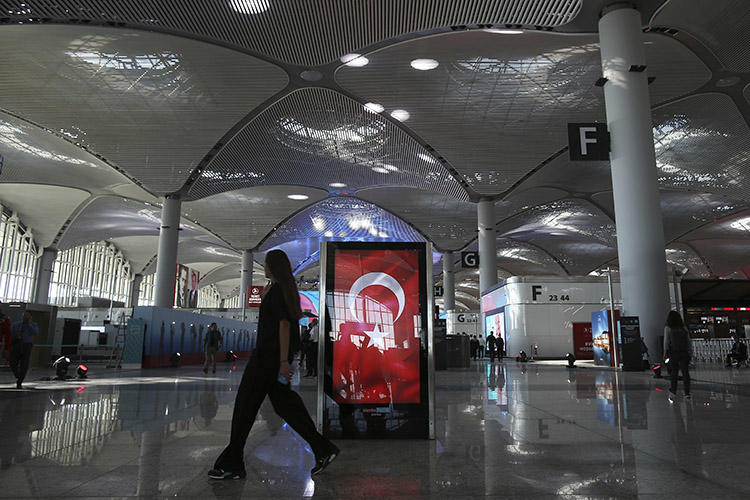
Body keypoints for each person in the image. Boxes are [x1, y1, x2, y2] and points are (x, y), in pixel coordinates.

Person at [209, 250, 338, 480]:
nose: (265, 267)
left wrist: (282, 362)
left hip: (266, 360)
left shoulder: (278, 291)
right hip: (270, 359)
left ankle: (232, 463)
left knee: (245, 407)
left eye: (267, 264)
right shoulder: (281, 289)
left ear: (273, 267)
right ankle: (323, 449)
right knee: (287, 407)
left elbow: (284, 326)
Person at [663, 311, 692, 402]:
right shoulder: (683, 327)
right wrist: (690, 350)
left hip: (674, 352)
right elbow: (688, 340)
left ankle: (673, 392)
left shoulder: (668, 327)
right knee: (685, 373)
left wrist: (664, 353)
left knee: (674, 373)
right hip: (684, 352)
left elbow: (666, 341)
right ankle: (687, 393)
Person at [9, 311, 38, 389]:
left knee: (24, 363)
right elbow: (11, 333)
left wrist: (28, 324)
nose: (25, 317)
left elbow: (35, 332)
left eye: (27, 316)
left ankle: (20, 380)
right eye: (24, 315)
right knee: (12, 361)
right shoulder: (16, 325)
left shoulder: (33, 325)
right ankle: (17, 374)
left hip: (27, 345)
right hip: (17, 344)